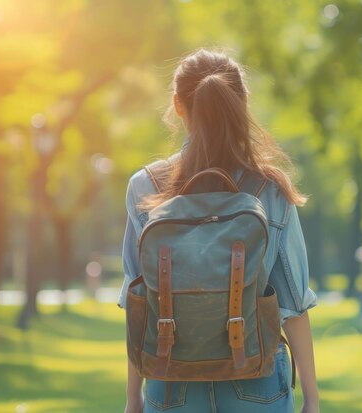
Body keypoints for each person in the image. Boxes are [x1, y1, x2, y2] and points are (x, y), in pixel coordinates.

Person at [117, 49, 319, 413]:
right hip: (255, 379)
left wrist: (133, 399)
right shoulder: (269, 187)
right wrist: (312, 397)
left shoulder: (145, 187)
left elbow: (138, 304)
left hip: (170, 383)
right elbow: (293, 302)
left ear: (178, 106)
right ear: (240, 103)